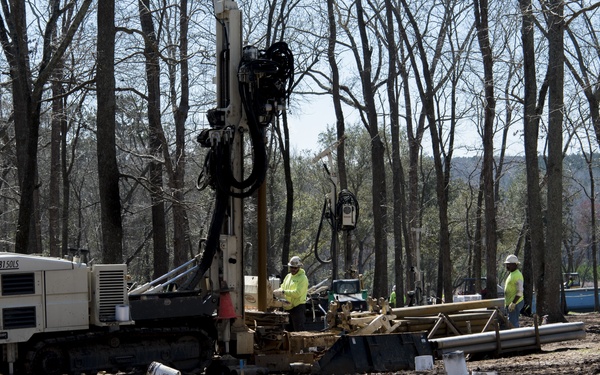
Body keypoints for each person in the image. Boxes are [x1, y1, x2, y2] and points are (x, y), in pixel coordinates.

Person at [274, 256, 309, 331]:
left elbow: (297, 293)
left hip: (297, 307)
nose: (293, 269)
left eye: (295, 268)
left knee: (299, 331)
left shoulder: (303, 278)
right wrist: (278, 291)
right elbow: (283, 287)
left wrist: (283, 292)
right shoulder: (288, 276)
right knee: (286, 332)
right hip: (287, 307)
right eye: (291, 267)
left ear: (299, 267)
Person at [503, 254, 524, 328]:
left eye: (509, 264)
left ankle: (516, 337)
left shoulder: (517, 275)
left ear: (515, 264)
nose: (507, 266)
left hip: (515, 303)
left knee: (513, 323)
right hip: (511, 303)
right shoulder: (512, 274)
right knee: (511, 321)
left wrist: (513, 303)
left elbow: (520, 291)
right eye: (507, 264)